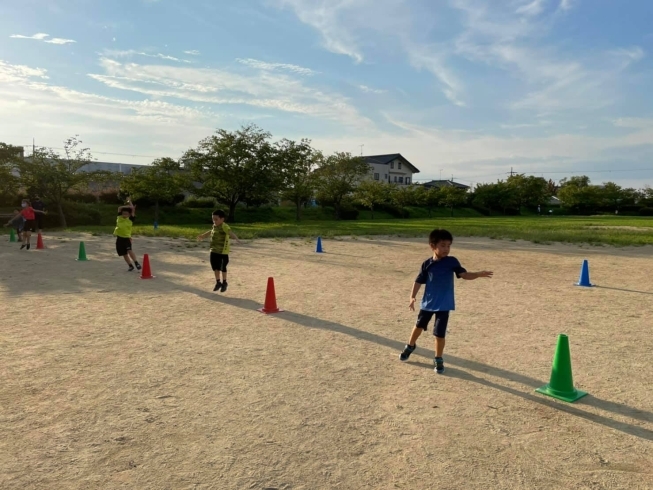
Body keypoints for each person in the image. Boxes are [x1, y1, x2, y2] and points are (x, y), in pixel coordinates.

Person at [399, 229, 493, 374]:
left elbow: (464, 274)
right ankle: (410, 346)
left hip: (444, 305)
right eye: (442, 245)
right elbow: (418, 281)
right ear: (432, 246)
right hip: (428, 304)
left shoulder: (452, 262)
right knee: (418, 326)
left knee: (439, 334)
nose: (446, 249)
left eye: (448, 246)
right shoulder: (427, 264)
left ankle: (438, 358)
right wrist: (412, 297)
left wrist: (478, 274)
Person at [197, 209, 240, 292]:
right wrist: (203, 236)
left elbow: (230, 232)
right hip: (213, 250)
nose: (214, 221)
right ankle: (218, 282)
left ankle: (224, 282)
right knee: (215, 267)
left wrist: (236, 238)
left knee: (222, 267)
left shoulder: (224, 226)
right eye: (213, 219)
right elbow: (211, 231)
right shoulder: (214, 226)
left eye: (216, 219)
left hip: (222, 251)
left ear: (222, 219)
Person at [113, 198, 141, 271]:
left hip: (126, 238)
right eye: (123, 214)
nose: (124, 215)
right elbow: (119, 208)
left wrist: (130, 203)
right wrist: (128, 206)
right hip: (119, 238)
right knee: (124, 254)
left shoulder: (130, 220)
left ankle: (136, 262)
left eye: (126, 214)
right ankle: (130, 265)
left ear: (129, 215)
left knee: (129, 250)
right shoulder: (119, 218)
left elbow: (133, 210)